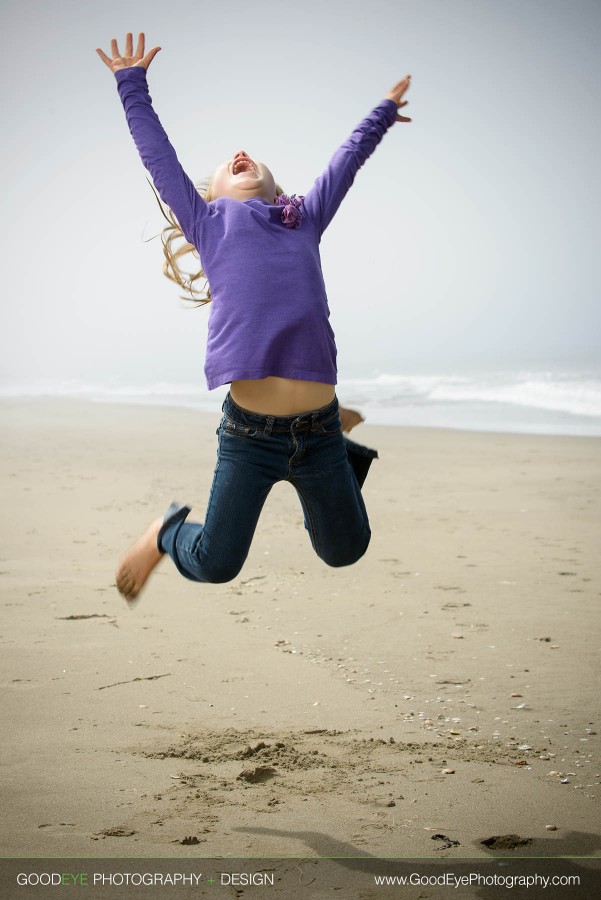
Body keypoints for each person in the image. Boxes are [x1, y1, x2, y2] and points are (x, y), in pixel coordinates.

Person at [96, 33, 412, 602]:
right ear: (212, 195)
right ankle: (165, 532)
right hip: (250, 435)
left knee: (347, 550)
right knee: (217, 564)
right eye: (227, 164)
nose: (240, 156)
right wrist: (132, 84)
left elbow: (347, 162)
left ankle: (340, 443)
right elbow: (157, 156)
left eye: (252, 162)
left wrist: (381, 114)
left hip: (315, 429)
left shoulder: (305, 220)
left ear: (275, 190)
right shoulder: (210, 225)